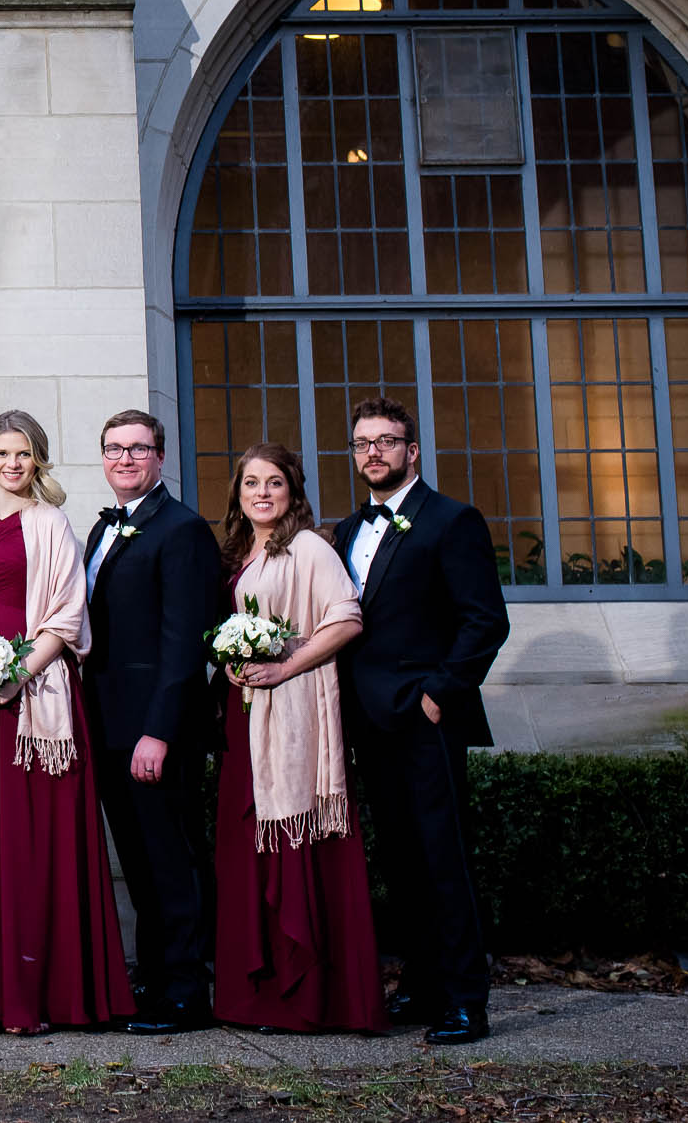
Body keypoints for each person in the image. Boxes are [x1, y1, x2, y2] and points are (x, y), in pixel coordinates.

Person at [0, 411, 133, 1035]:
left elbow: (66, 616)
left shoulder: (52, 525)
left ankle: (44, 994)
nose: (12, 464)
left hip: (35, 699)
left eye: (24, 454)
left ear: (37, 461)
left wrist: (14, 675)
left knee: (31, 843)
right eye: (2, 453)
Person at [332, 397, 510, 1046]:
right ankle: (424, 981)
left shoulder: (452, 520)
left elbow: (485, 620)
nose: (372, 451)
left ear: (412, 450)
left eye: (386, 440)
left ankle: (467, 999)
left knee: (443, 860)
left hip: (426, 718)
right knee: (401, 862)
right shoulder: (347, 531)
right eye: (361, 442)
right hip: (369, 720)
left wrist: (439, 692)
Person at [212, 444, 386, 1036]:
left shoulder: (309, 546)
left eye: (275, 483)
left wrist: (285, 667)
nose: (262, 493)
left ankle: (311, 1000)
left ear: (293, 492)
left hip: (295, 719)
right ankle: (254, 998)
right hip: (246, 717)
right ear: (238, 493)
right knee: (246, 856)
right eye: (251, 483)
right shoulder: (239, 551)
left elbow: (346, 618)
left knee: (294, 848)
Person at [79, 408, 223, 1034]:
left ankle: (188, 990)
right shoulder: (101, 530)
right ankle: (157, 977)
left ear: (161, 457)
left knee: (171, 858)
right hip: (107, 724)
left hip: (154, 730)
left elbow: (185, 643)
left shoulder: (183, 529)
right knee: (137, 860)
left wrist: (159, 731)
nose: (126, 459)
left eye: (139, 449)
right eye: (115, 449)